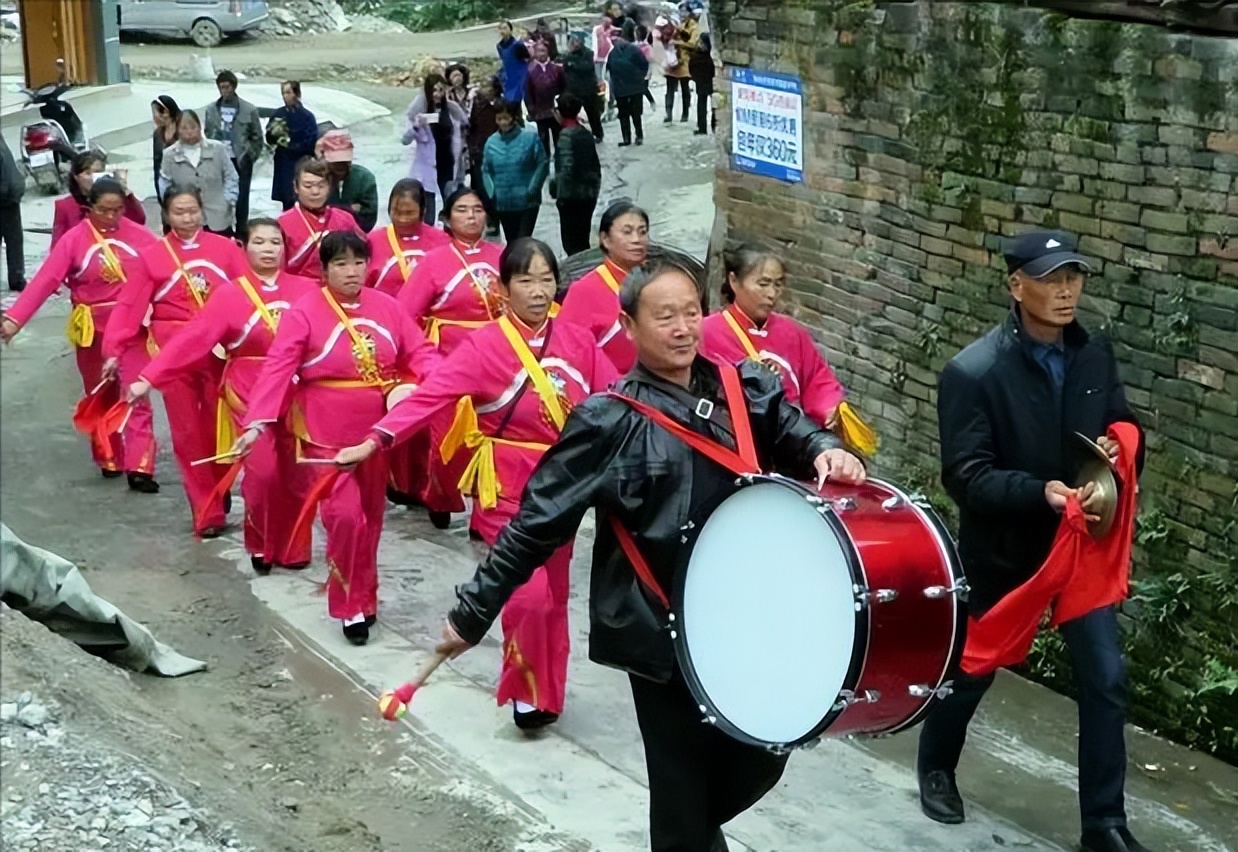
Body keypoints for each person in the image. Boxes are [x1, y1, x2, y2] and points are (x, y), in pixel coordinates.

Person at [431, 256, 865, 852]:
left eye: (691, 312)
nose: (684, 327)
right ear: (629, 327)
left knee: (768, 749)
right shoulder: (607, 421)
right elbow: (536, 524)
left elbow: (796, 430)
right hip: (659, 627)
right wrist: (471, 612)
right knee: (681, 781)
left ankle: (690, 836)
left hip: (745, 615)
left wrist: (825, 449)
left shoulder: (743, 387)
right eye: (665, 317)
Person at [916, 230, 1149, 852]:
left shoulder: (1094, 354)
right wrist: (1037, 491)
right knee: (973, 669)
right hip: (1006, 548)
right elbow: (966, 476)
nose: (1065, 290)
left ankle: (1104, 822)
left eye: (1073, 276)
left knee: (1105, 677)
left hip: (1080, 549)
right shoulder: (973, 372)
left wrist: (1116, 456)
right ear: (1016, 285)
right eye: (1050, 279)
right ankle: (936, 763)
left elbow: (1125, 423)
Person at [336, 238, 618, 728]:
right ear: (503, 289)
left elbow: (617, 399)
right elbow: (430, 397)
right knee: (526, 594)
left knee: (553, 595)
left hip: (563, 490)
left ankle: (548, 694)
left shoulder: (577, 341)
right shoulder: (483, 346)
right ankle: (524, 692)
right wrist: (375, 440)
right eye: (525, 280)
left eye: (546, 279)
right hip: (505, 491)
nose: (537, 290)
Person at [236, 231, 441, 646]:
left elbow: (420, 353)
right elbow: (278, 369)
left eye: (359, 263)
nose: (352, 272)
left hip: (376, 435)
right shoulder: (304, 312)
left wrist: (444, 383)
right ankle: (348, 606)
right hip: (324, 437)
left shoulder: (388, 308)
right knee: (345, 519)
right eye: (341, 264)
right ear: (324, 269)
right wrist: (257, 421)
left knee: (371, 520)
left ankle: (366, 596)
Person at [127, 219, 318, 574]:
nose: (268, 249)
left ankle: (294, 546)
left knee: (298, 474)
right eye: (259, 242)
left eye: (275, 242)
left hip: (298, 393)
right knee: (262, 474)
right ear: (244, 249)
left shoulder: (308, 290)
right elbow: (192, 341)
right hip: (248, 391)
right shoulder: (230, 295)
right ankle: (260, 541)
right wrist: (147, 378)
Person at [101, 184, 248, 536]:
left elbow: (250, 295)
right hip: (174, 355)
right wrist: (113, 349)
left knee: (219, 426)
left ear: (203, 211)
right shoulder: (152, 256)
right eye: (179, 212)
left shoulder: (226, 250)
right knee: (186, 432)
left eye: (192, 211)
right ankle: (206, 510)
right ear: (166, 215)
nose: (187, 218)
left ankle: (219, 483)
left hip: (217, 352)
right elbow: (129, 307)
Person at [1, 178, 159, 492]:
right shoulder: (74, 240)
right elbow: (45, 281)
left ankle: (141, 465)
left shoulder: (141, 237)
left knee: (136, 392)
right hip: (93, 327)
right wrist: (14, 320)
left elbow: (166, 274)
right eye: (104, 211)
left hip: (133, 327)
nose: (112, 217)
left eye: (118, 210)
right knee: (101, 392)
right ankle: (109, 455)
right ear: (89, 208)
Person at [395, 188, 504, 521]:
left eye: (477, 209)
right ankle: (440, 497)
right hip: (448, 360)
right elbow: (404, 315)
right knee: (448, 441)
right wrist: (424, 358)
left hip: (497, 358)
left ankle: (485, 514)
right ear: (447, 218)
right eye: (462, 209)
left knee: (494, 437)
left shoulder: (503, 256)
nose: (471, 215)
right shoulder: (433, 261)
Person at [701, 245, 845, 427]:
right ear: (734, 281)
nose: (772, 294)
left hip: (790, 435)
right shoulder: (707, 331)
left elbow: (817, 379)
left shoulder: (792, 332)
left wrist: (829, 407)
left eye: (778, 285)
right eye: (763, 284)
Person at [557, 200, 648, 372]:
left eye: (642, 232)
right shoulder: (583, 291)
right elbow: (567, 353)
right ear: (605, 239)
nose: (637, 240)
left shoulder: (655, 282)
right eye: (627, 232)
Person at [278, 157, 364, 281]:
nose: (315, 191)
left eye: (321, 185)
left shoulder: (345, 219)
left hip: (339, 288)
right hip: (299, 290)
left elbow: (363, 255)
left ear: (329, 187)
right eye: (308, 186)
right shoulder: (282, 224)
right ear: (296, 187)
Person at [204, 70, 264, 242]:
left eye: (227, 87)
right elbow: (208, 133)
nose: (225, 91)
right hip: (220, 158)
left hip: (240, 158)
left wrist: (250, 156)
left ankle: (242, 230)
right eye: (221, 87)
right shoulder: (212, 110)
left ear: (234, 86)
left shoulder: (248, 109)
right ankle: (223, 228)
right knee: (220, 195)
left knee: (241, 196)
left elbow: (257, 137)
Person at [159, 110, 239, 237]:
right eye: (184, 128)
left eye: (193, 127)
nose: (189, 132)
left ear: (200, 127)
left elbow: (231, 176)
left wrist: (228, 199)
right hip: (187, 217)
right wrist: (173, 206)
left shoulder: (217, 148)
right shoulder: (170, 154)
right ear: (177, 130)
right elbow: (164, 183)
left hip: (218, 214)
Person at [403, 73, 468, 225]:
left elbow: (464, 124)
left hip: (448, 163)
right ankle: (429, 239)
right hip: (426, 167)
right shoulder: (418, 113)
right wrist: (416, 126)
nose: (438, 94)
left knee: (451, 204)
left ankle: (450, 237)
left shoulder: (451, 109)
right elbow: (405, 140)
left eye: (441, 90)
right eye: (434, 91)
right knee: (428, 209)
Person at [365, 179, 449, 297]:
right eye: (397, 212)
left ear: (423, 211)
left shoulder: (442, 241)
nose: (402, 219)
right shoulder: (371, 242)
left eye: (409, 213)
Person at [482, 100, 549, 242]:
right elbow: (486, 170)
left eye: (506, 118)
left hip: (527, 201)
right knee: (512, 242)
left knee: (523, 241)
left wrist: (534, 187)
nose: (503, 123)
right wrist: (492, 191)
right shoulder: (491, 143)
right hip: (504, 202)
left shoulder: (530, 138)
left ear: (513, 117)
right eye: (499, 119)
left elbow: (542, 163)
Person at [52, 151, 146, 248]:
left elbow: (139, 220)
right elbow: (57, 244)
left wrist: (124, 191)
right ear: (76, 177)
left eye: (97, 172)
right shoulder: (65, 206)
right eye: (88, 173)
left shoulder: (113, 200)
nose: (93, 178)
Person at [549, 94, 601, 257]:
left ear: (559, 113)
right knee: (582, 240)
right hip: (588, 194)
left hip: (571, 197)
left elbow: (566, 170)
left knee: (571, 244)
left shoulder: (566, 136)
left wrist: (557, 192)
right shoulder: (584, 132)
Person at [267, 81, 319, 211]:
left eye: (288, 92)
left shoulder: (307, 116)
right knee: (286, 199)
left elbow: (311, 140)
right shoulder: (278, 114)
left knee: (302, 197)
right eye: (283, 93)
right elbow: (269, 139)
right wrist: (274, 134)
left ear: (297, 94)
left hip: (301, 162)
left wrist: (292, 146)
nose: (285, 96)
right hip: (283, 162)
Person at [318, 129, 379, 233]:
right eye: (335, 162)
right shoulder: (314, 178)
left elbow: (369, 216)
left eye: (344, 161)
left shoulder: (365, 178)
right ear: (324, 156)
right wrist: (350, 209)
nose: (340, 165)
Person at [466, 76, 503, 235]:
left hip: (498, 152)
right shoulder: (477, 104)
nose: (484, 90)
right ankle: (488, 219)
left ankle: (495, 220)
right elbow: (471, 127)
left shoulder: (502, 105)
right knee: (480, 188)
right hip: (479, 151)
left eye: (487, 86)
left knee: (494, 188)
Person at [606, 22, 650, 147]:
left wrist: (640, 78)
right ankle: (626, 138)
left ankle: (639, 136)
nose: (614, 41)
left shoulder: (634, 50)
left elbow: (644, 65)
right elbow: (609, 68)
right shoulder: (613, 53)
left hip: (635, 87)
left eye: (616, 38)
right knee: (623, 115)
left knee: (636, 114)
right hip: (620, 89)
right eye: (612, 39)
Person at [525, 39, 566, 156]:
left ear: (548, 52)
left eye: (543, 51)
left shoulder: (557, 69)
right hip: (539, 111)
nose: (541, 54)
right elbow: (527, 92)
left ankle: (560, 165)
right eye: (538, 51)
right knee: (543, 141)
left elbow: (563, 88)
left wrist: (562, 107)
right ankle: (545, 165)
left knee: (558, 140)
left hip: (555, 111)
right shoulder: (530, 71)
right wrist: (531, 109)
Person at [562, 32, 603, 143]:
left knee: (593, 114)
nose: (574, 43)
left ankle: (598, 134)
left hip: (588, 90)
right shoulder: (568, 56)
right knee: (572, 113)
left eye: (576, 41)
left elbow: (586, 67)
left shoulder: (588, 53)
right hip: (574, 90)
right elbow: (565, 68)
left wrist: (573, 65)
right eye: (572, 41)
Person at [0, 136, 26, 292]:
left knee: (14, 241)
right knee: (14, 241)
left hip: (8, 198)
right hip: (10, 197)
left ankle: (17, 278)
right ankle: (17, 279)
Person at [660, 16, 692, 124]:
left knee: (685, 88)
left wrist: (678, 41)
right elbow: (662, 42)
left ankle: (685, 113)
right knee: (669, 89)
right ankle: (668, 113)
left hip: (683, 61)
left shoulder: (686, 28)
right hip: (671, 61)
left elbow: (691, 43)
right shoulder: (665, 29)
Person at [151, 95, 181, 202]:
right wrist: (158, 189)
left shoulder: (183, 130)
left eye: (155, 113)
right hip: (165, 183)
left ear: (166, 113)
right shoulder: (158, 134)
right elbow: (157, 163)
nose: (154, 117)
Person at [496, 21, 531, 108]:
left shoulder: (518, 45)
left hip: (520, 76)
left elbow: (527, 58)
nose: (503, 31)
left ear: (510, 30)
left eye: (505, 28)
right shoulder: (499, 46)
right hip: (508, 77)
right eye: (501, 29)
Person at [687, 31, 715, 136]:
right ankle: (705, 127)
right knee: (703, 106)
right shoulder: (701, 56)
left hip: (706, 82)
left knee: (710, 106)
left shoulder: (698, 56)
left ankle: (710, 127)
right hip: (703, 82)